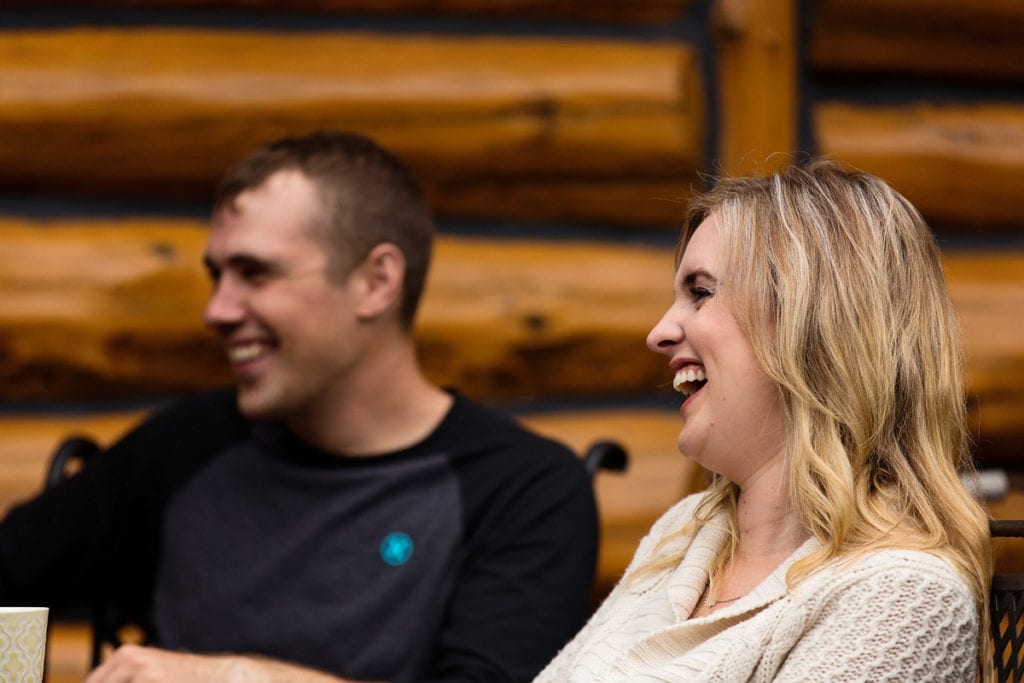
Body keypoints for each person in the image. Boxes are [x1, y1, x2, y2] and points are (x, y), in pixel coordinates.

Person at [0, 131, 599, 683]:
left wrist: (234, 678)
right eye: (217, 275)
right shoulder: (190, 445)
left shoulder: (524, 489)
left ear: (376, 282)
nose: (217, 310)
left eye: (254, 273)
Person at [533, 158, 992, 681]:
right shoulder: (685, 535)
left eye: (701, 292)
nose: (658, 331)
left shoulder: (905, 597)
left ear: (816, 322)